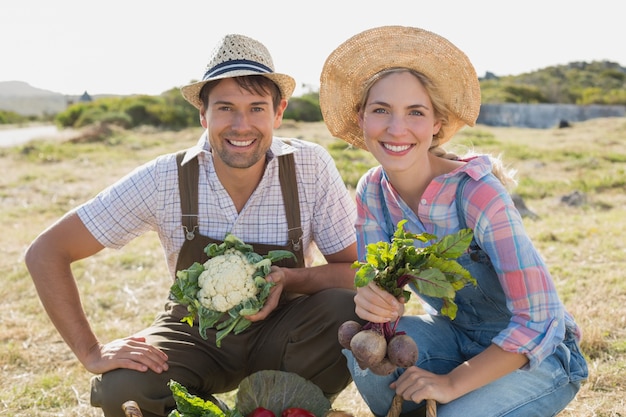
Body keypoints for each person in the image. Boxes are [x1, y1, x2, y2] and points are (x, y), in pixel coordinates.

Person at [25, 33, 361, 417]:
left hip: (284, 333)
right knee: (125, 389)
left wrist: (291, 280)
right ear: (203, 115)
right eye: (225, 108)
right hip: (194, 335)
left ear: (278, 112)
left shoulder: (309, 166)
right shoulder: (165, 177)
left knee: (347, 308)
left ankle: (282, 406)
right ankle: (202, 408)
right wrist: (91, 351)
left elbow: (354, 273)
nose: (241, 125)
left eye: (256, 108)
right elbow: (45, 252)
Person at [319, 26, 588, 417]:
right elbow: (376, 282)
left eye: (415, 112)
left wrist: (451, 384)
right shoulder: (371, 190)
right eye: (381, 110)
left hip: (541, 356)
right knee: (365, 356)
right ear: (361, 118)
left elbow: (539, 319)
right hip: (455, 337)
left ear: (437, 124)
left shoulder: (477, 193)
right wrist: (373, 298)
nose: (397, 129)